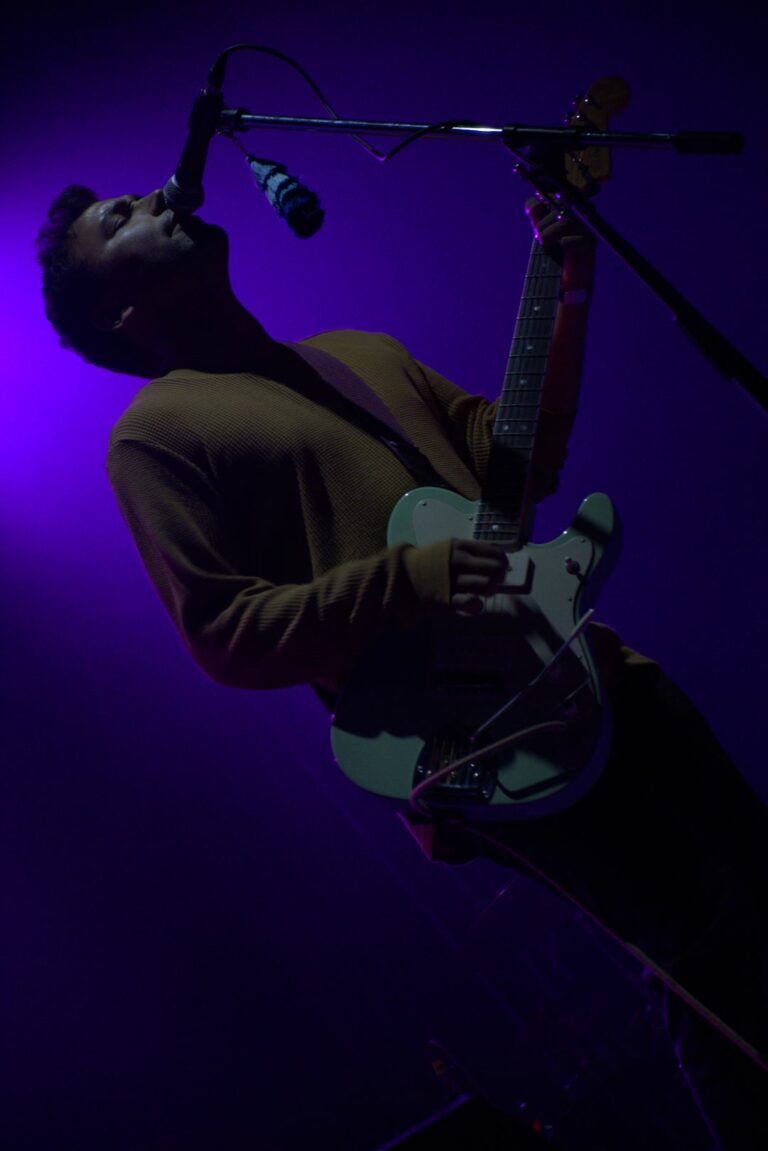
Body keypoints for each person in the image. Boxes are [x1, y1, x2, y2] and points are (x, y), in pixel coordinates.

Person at [37, 185, 766, 1147]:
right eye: (121, 217)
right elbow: (223, 631)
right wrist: (409, 578)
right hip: (482, 729)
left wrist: (567, 284)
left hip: (593, 660)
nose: (161, 197)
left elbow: (517, 462)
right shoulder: (155, 434)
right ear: (120, 313)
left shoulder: (354, 352)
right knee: (702, 945)